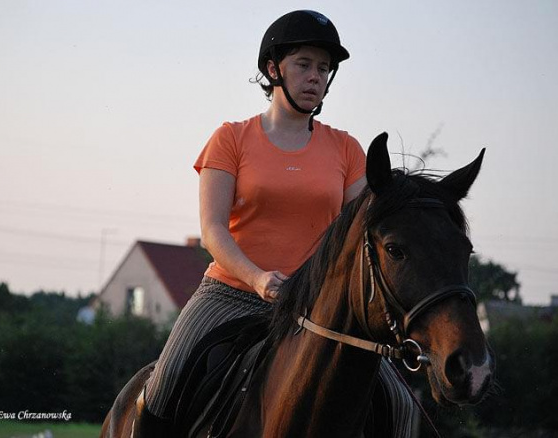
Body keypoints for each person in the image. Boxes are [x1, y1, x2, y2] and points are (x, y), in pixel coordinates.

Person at [133, 10, 414, 437]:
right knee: (163, 389)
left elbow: (364, 234)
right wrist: (259, 278)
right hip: (232, 294)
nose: (315, 77)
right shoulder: (230, 138)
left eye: (324, 68)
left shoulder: (347, 149)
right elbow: (213, 230)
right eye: (304, 64)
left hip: (317, 309)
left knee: (404, 408)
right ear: (272, 68)